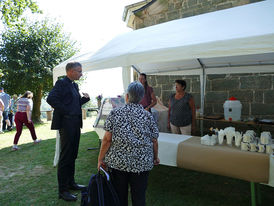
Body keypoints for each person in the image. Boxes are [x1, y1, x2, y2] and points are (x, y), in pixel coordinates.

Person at [97, 81, 160, 206]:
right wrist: (155, 157)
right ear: (141, 98)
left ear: (126, 96)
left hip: (118, 163)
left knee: (119, 197)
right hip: (141, 163)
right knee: (139, 197)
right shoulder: (147, 116)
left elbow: (107, 140)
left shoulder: (115, 113)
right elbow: (154, 140)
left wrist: (100, 159)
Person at [47, 62, 90, 202]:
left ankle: (71, 183)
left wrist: (85, 99)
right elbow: (51, 99)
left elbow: (74, 103)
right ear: (70, 71)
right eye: (79, 71)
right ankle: (63, 190)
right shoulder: (61, 83)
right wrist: (66, 111)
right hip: (66, 124)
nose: (81, 74)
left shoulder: (74, 85)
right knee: (65, 157)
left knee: (73, 155)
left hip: (75, 123)